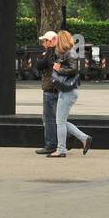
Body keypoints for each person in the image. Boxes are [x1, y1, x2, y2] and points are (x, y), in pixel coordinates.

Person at [48, 30, 92, 158]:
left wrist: (58, 69)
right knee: (61, 121)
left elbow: (73, 69)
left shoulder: (70, 53)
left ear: (61, 40)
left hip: (68, 91)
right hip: (66, 90)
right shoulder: (65, 53)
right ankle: (84, 138)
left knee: (60, 122)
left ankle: (61, 149)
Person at [33, 31, 59, 155]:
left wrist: (44, 54)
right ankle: (67, 140)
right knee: (58, 118)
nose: (43, 43)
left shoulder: (50, 53)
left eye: (45, 41)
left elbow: (39, 65)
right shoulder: (59, 52)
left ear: (50, 41)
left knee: (49, 119)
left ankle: (51, 145)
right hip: (57, 89)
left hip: (50, 89)